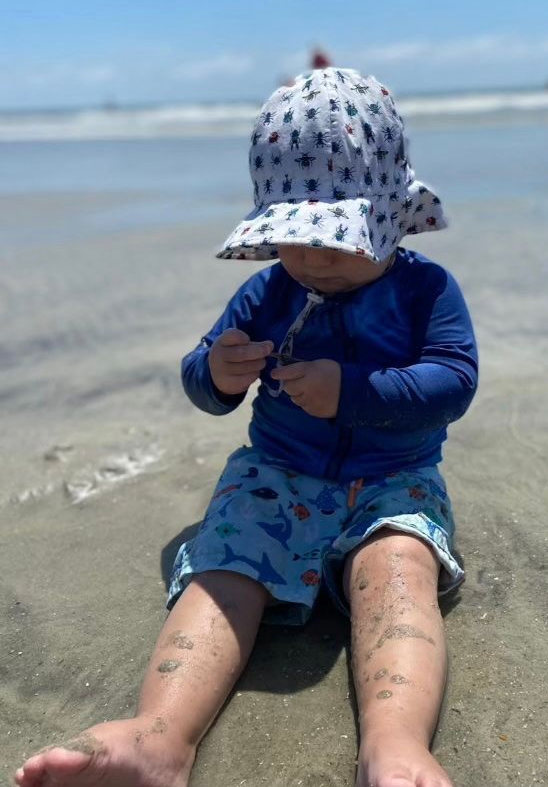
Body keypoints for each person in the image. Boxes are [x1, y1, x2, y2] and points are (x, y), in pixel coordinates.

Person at [15, 68, 479, 787]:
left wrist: (351, 391)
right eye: (294, 238)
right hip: (275, 477)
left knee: (398, 577)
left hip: (393, 480)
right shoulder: (270, 290)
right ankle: (160, 738)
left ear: (390, 213)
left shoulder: (427, 292)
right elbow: (202, 376)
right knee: (224, 571)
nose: (312, 259)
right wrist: (219, 372)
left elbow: (454, 383)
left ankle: (396, 747)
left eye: (333, 238)